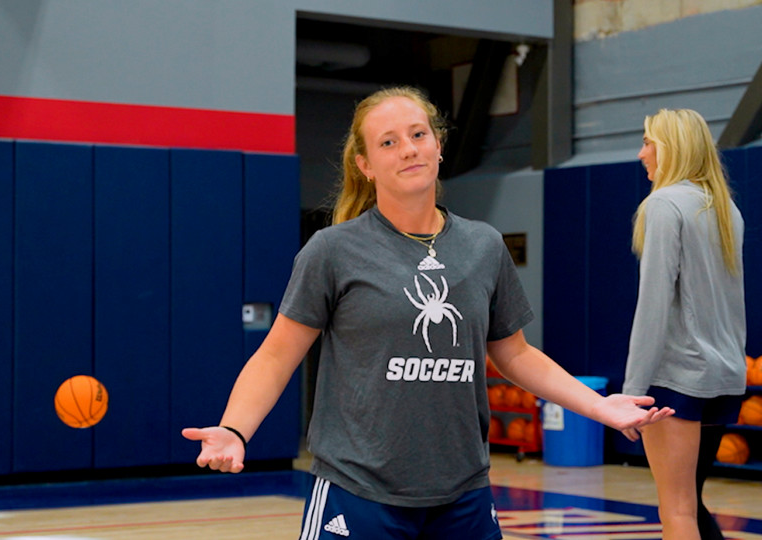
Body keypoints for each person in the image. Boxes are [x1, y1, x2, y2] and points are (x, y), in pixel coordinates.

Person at [183, 86, 673, 540]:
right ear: (365, 165)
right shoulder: (333, 251)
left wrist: (598, 407)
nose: (410, 149)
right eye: (389, 142)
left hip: (463, 494)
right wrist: (233, 429)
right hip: (358, 492)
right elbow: (275, 358)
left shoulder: (483, 246)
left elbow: (516, 355)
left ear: (438, 145)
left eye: (418, 135)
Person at [621, 108, 746, 540]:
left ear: (671, 148)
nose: (641, 154)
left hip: (678, 378)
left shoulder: (663, 204)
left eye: (648, 143)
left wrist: (633, 393)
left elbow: (652, 306)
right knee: (689, 499)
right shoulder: (727, 209)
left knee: (676, 510)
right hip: (725, 376)